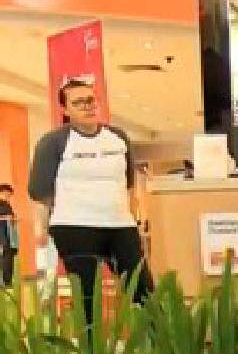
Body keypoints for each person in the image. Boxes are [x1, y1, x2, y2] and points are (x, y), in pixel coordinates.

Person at [28, 77, 153, 324]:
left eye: (91, 100)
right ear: (65, 109)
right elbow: (40, 190)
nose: (87, 106)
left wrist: (132, 221)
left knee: (144, 292)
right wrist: (45, 230)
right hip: (74, 228)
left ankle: (160, 353)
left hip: (120, 226)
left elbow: (127, 183)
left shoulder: (118, 138)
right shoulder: (53, 143)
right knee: (88, 299)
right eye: (79, 102)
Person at [0, 183, 17, 287]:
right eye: (7, 194)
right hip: (2, 236)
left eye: (9, 195)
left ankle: (7, 282)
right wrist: (6, 218)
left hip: (8, 236)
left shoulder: (7, 205)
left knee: (8, 259)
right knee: (4, 259)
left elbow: (10, 218)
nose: (8, 197)